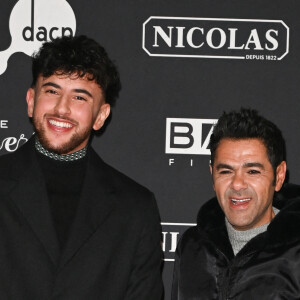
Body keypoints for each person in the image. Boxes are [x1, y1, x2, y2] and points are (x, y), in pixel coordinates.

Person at [0, 35, 163, 299]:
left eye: (79, 97)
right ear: (31, 101)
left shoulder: (135, 209)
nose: (62, 109)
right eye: (52, 91)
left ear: (100, 116)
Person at [172, 108, 300, 299]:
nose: (237, 184)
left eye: (253, 171)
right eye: (226, 171)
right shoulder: (192, 246)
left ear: (279, 175)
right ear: (212, 175)